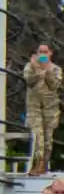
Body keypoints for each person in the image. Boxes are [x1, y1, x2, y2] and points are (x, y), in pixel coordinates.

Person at [24, 44, 61, 175]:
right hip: (34, 107)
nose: (43, 55)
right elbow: (29, 81)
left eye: (45, 52)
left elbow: (54, 85)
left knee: (47, 138)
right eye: (41, 52)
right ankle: (37, 163)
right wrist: (38, 71)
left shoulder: (56, 69)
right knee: (37, 136)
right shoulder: (30, 67)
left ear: (50, 53)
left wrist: (47, 71)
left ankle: (44, 165)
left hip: (50, 108)